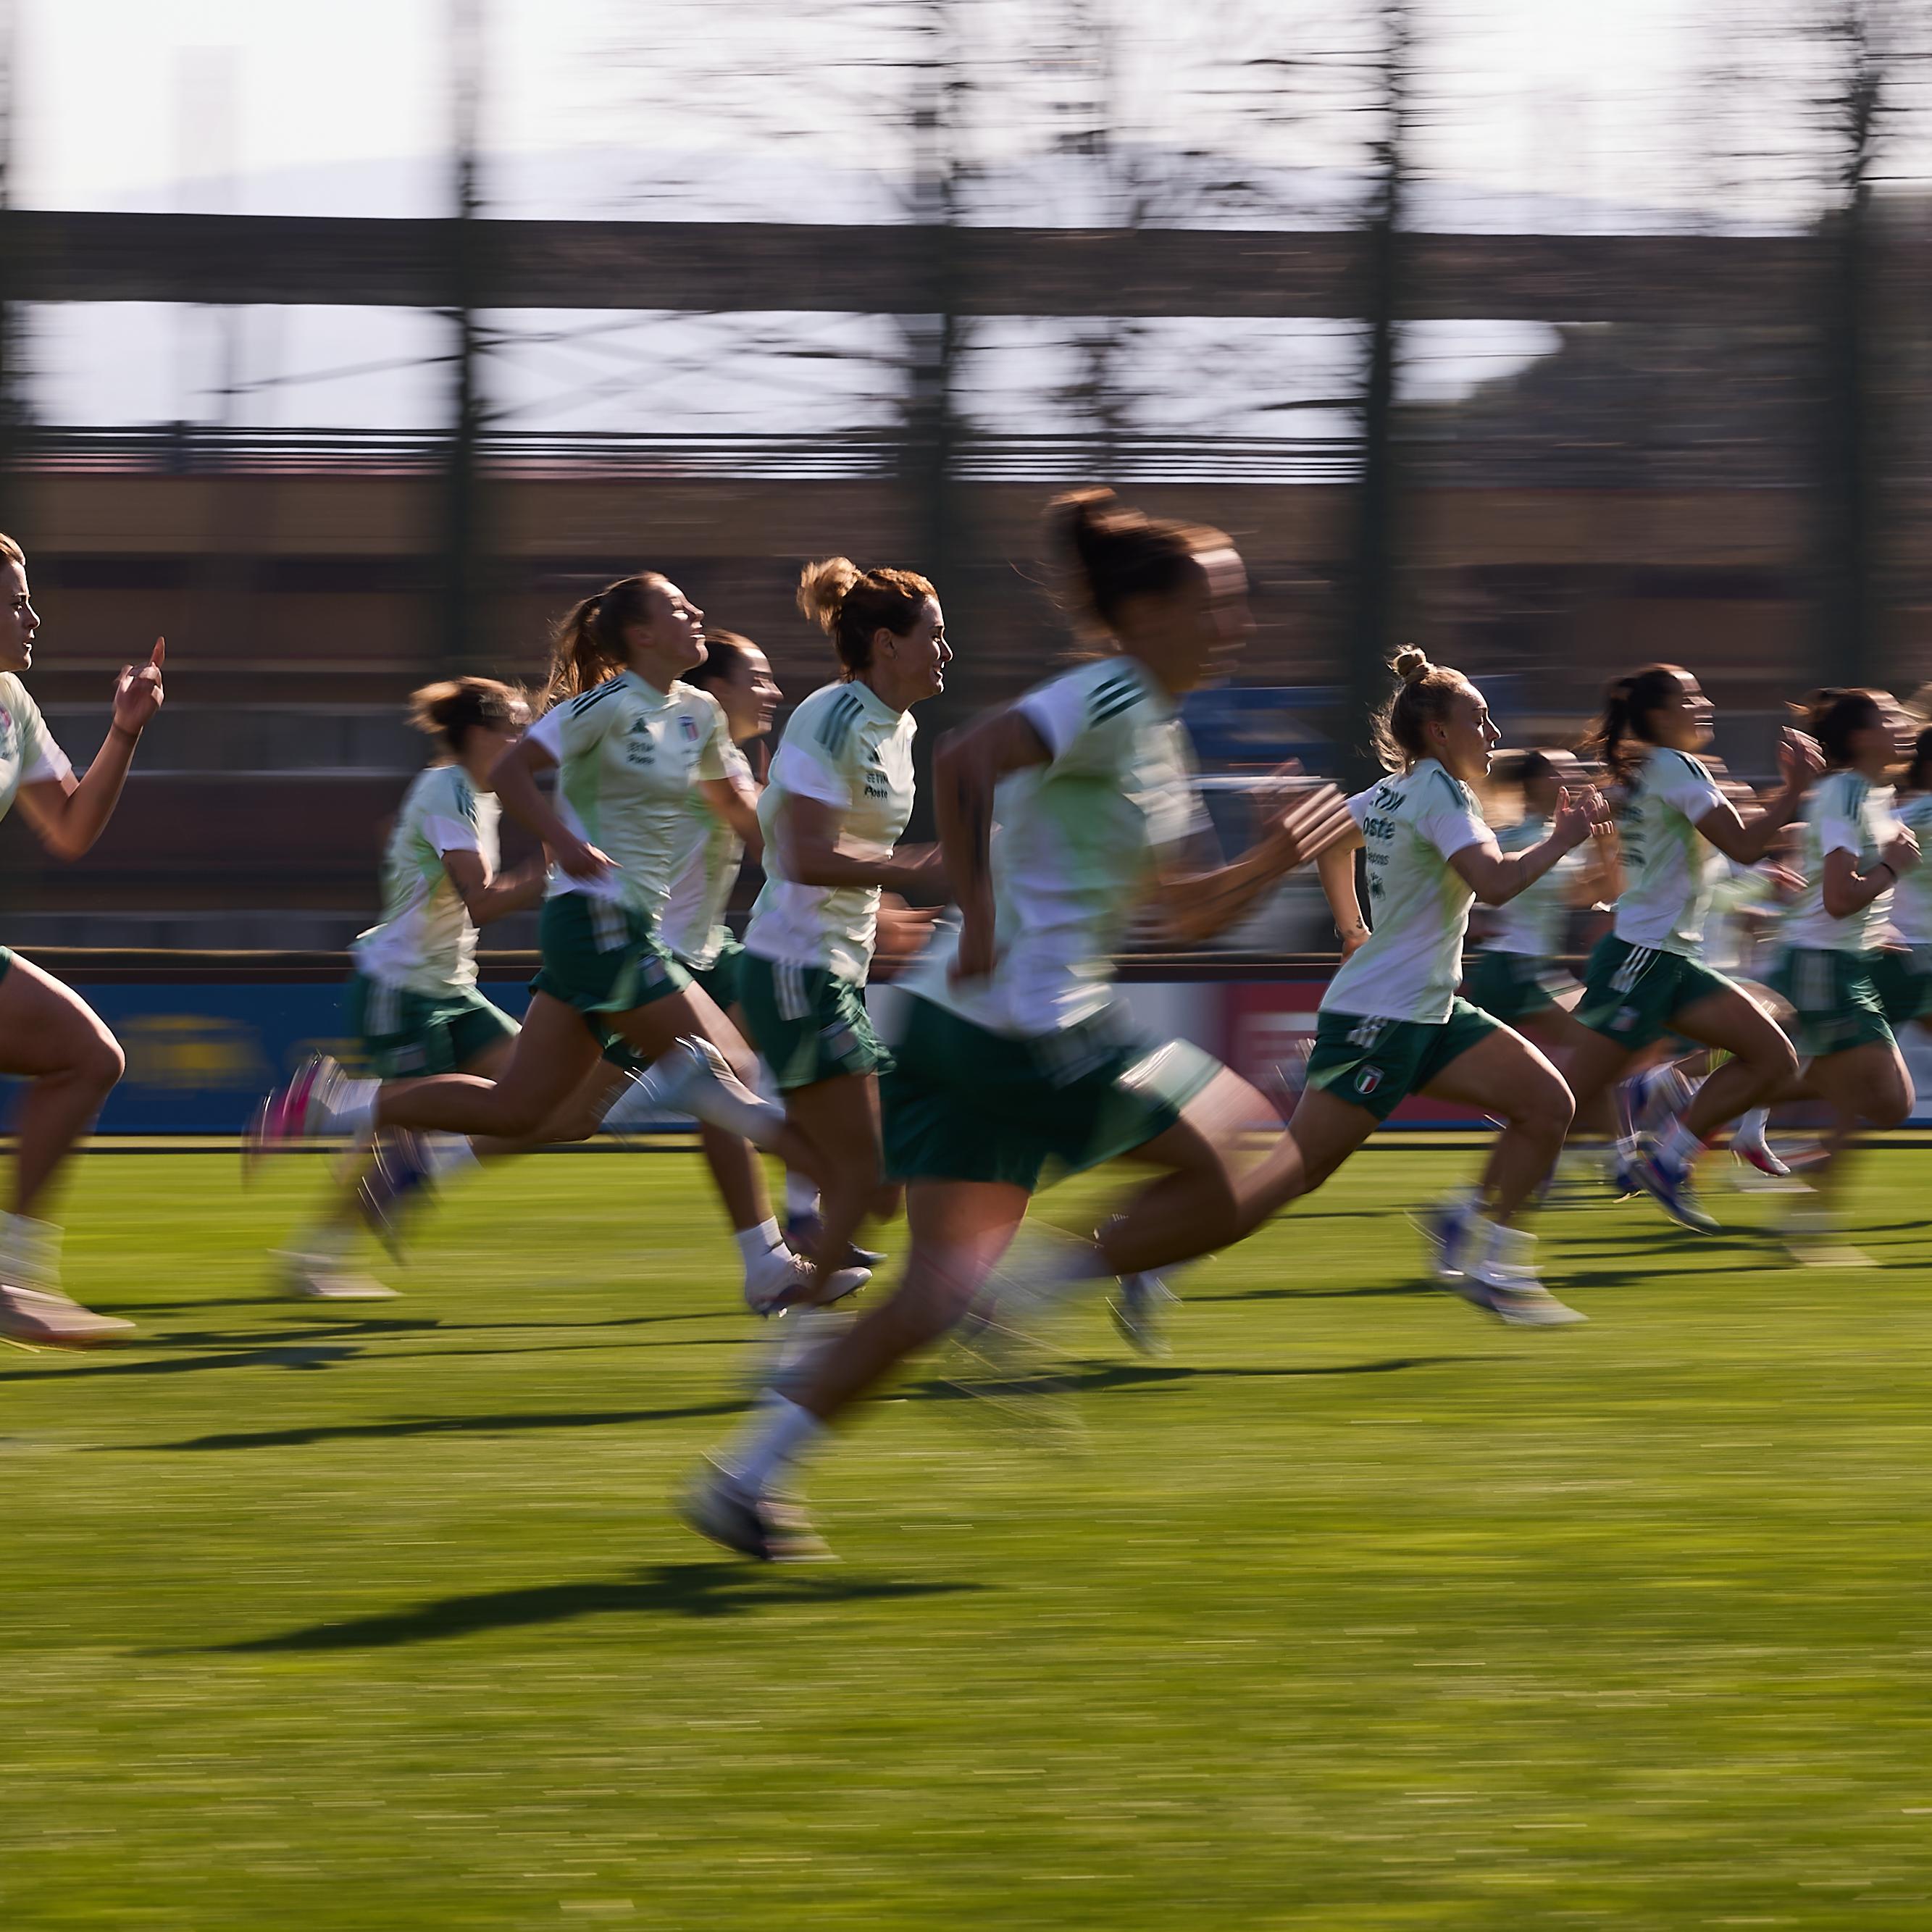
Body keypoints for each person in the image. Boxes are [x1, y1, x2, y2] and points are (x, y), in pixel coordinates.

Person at [679, 488, 1354, 1560]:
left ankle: (744, 1481)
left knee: (926, 1296)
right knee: (1249, 1150)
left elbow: (1184, 914)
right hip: (1031, 1023)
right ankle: (1028, 1293)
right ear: (1145, 615)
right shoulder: (1108, 693)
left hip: (957, 1024)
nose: (1238, 624)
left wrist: (1274, 858)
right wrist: (985, 914)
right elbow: (969, 760)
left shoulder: (1154, 734)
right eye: (1216, 604)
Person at [252, 574, 862, 1313]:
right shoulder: (604, 706)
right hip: (597, 922)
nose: (696, 613)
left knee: (524, 1111)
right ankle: (783, 1233)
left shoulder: (697, 712)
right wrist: (563, 843)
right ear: (641, 635)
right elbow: (515, 771)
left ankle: (340, 1106)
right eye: (678, 608)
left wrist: (829, 862)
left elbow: (740, 814)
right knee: (729, 1067)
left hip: (624, 932)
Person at [1308, 653, 1613, 1321]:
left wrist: (1351, 929)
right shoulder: (1442, 795)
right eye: (1480, 719)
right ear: (1439, 732)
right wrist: (1564, 839)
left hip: (1428, 1004)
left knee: (1546, 1103)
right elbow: (1496, 883)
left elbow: (1330, 844)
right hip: (1387, 1012)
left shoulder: (1393, 790)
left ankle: (1496, 1268)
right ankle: (1153, 1248)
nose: (1494, 733)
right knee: (1297, 1171)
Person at [267, 677, 548, 1299]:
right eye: (515, 729)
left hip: (451, 986)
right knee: (401, 1144)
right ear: (477, 735)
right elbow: (481, 901)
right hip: (403, 988)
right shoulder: (449, 788)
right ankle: (313, 1256)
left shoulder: (475, 794)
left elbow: (404, 837)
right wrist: (554, 868)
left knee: (538, 1095)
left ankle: (371, 1159)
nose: (526, 741)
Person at [732, 559, 949, 1305]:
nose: (946, 651)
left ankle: (805, 1307)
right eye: (934, 635)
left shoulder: (901, 724)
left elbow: (850, 852)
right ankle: (722, 1104)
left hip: (836, 968)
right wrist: (916, 867)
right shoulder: (831, 717)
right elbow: (802, 854)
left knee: (877, 1188)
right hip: (797, 965)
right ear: (886, 644)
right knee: (869, 1176)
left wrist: (889, 908)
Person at [1560, 664, 1819, 1233]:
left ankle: (1666, 1160)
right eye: (1689, 697)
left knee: (1773, 1057)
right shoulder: (1676, 767)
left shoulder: (1649, 771)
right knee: (1559, 1101)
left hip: (1667, 958)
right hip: (1642, 958)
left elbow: (1733, 840)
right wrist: (1795, 787)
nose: (1704, 705)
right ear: (1658, 715)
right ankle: (1470, 1211)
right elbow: (1744, 845)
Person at [0, 532, 164, 1346]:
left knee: (88, 1055)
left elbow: (67, 826)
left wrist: (125, 731)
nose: (34, 617)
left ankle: (10, 1279)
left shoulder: (11, 703)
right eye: (16, 602)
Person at [1765, 688, 1920, 1262]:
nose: (1902, 724)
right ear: (1858, 737)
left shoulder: (1874, 793)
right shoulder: (1846, 791)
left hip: (1848, 961)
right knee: (1883, 1101)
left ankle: (1806, 1224)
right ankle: (1694, 1094)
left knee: (1876, 1103)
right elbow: (1837, 898)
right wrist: (1892, 867)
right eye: (1887, 718)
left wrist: (1880, 930)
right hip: (1822, 964)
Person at [1461, 746, 1622, 1170]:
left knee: (1595, 1054)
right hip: (1512, 969)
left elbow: (1594, 894)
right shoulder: (1517, 836)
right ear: (1533, 784)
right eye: (1558, 772)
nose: (1569, 778)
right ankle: (1609, 1158)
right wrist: (1474, 918)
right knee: (1596, 1049)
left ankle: (1587, 1154)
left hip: (1533, 971)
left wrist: (1605, 847)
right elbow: (1478, 880)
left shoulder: (1562, 835)